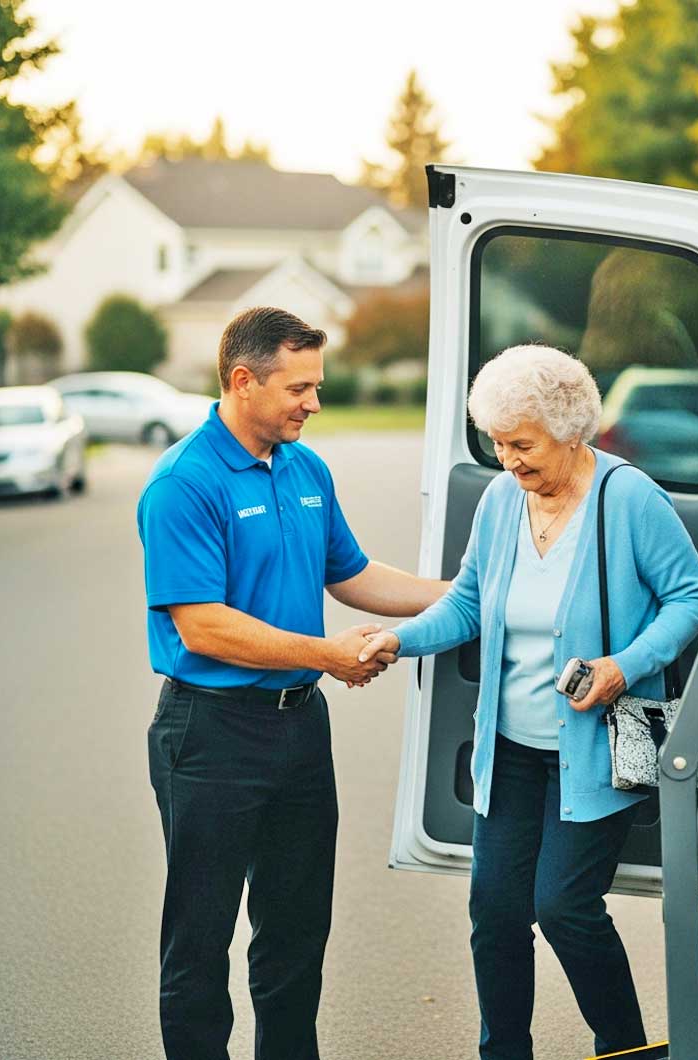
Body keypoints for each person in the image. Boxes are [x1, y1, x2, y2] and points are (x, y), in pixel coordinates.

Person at [361, 344, 698, 1059]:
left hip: (594, 748)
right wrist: (398, 641)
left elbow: (693, 597)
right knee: (492, 913)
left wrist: (625, 665)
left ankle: (621, 1047)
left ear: (570, 430)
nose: (506, 459)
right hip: (512, 751)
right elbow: (467, 604)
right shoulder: (500, 500)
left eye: (520, 444)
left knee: (564, 907)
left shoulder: (628, 499)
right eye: (496, 442)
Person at [136, 306, 447, 1060]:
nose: (314, 402)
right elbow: (201, 626)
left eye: (316, 384)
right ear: (243, 382)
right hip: (209, 733)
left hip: (298, 729)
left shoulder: (306, 468)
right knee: (199, 942)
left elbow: (354, 574)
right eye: (299, 386)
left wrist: (470, 593)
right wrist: (325, 654)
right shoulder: (185, 482)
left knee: (296, 933)